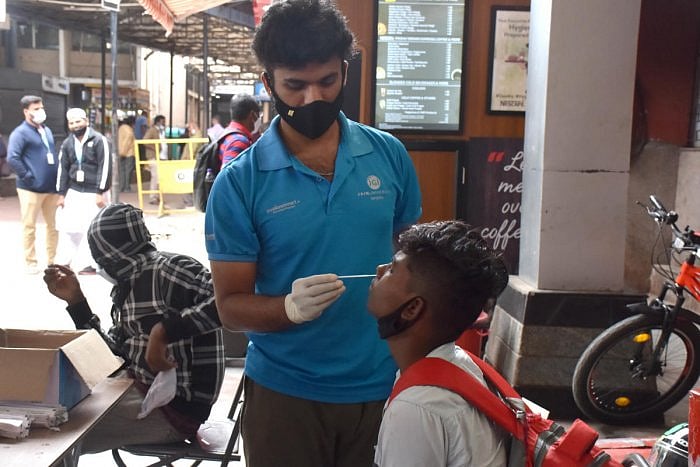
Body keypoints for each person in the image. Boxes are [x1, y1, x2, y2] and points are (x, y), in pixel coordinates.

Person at [204, 1, 422, 465]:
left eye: (326, 82)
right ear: (269, 85)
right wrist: (286, 308)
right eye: (294, 86)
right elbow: (230, 308)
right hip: (286, 394)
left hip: (384, 385)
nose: (312, 99)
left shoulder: (389, 156)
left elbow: (413, 260)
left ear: (345, 71)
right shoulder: (241, 182)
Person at [43, 203, 224, 465]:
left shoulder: (169, 269)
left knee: (56, 431)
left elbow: (228, 302)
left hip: (172, 410)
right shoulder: (128, 287)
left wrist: (166, 331)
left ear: (108, 256)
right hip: (140, 391)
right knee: (53, 411)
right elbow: (111, 360)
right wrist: (77, 303)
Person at [368, 220, 509, 467]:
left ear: (412, 309)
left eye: (392, 269)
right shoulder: (462, 364)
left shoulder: (417, 407)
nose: (379, 269)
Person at [55, 107, 112, 275]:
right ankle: (64, 263)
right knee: (69, 228)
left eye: (78, 121)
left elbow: (105, 166)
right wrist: (61, 194)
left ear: (86, 121)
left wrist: (100, 192)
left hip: (94, 192)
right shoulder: (67, 143)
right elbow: (63, 169)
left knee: (94, 230)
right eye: (71, 123)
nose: (75, 125)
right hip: (74, 190)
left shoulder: (99, 140)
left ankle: (95, 265)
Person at [7, 95, 60, 275]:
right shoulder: (20, 133)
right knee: (29, 226)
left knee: (53, 226)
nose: (40, 111)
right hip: (30, 188)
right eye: (36, 109)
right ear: (26, 111)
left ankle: (52, 260)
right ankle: (31, 261)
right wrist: (28, 176)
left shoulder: (47, 131)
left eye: (41, 108)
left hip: (51, 187)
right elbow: (12, 157)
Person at [218, 94, 260, 167]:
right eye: (258, 116)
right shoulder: (238, 141)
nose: (259, 120)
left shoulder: (228, 134)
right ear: (252, 115)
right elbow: (228, 176)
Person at [143, 115, 168, 204]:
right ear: (158, 122)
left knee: (160, 178)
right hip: (154, 156)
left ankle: (157, 197)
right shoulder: (152, 130)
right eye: (162, 121)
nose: (164, 123)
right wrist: (155, 148)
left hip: (162, 157)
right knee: (155, 177)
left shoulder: (162, 131)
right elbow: (145, 140)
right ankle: (153, 197)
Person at [118, 115, 136, 192]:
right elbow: (128, 141)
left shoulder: (121, 128)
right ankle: (126, 187)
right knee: (128, 170)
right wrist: (124, 151)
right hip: (129, 152)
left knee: (122, 170)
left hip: (120, 152)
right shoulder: (129, 130)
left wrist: (121, 152)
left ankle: (122, 186)